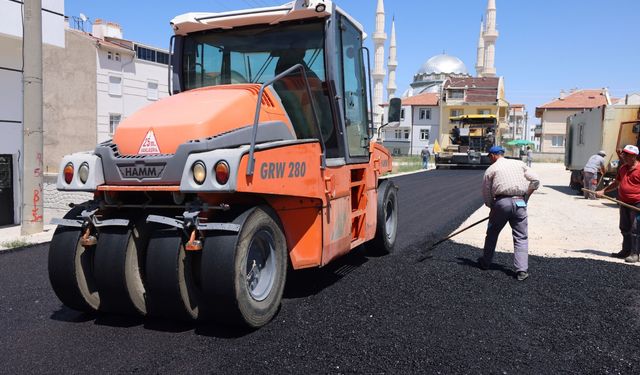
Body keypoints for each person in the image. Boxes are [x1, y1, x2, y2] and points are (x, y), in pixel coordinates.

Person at [478, 145, 541, 281]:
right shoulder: (519, 163)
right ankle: (521, 270)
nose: (490, 159)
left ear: (493, 155)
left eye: (489, 157)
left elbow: (486, 192)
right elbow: (536, 180)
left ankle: (485, 263)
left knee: (492, 233)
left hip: (502, 203)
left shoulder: (491, 169)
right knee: (521, 237)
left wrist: (492, 207)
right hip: (520, 203)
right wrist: (526, 197)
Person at [596, 145, 640, 263]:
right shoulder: (623, 168)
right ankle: (626, 251)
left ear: (634, 156)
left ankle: (635, 253)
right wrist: (603, 190)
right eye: (624, 154)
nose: (623, 156)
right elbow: (616, 183)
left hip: (637, 204)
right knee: (624, 227)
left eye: (627, 154)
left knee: (635, 229)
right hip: (624, 202)